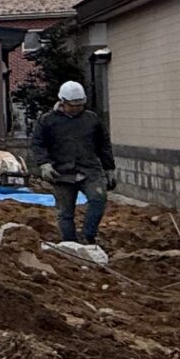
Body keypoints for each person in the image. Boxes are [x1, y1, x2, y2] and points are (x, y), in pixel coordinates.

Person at [30, 80, 116, 244]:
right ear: (62, 102)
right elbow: (37, 144)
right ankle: (70, 243)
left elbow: (103, 144)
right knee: (65, 212)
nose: (77, 108)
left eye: (80, 105)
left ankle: (88, 236)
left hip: (89, 170)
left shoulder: (91, 119)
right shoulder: (48, 121)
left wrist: (109, 168)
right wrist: (44, 164)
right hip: (61, 172)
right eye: (72, 105)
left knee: (98, 199)